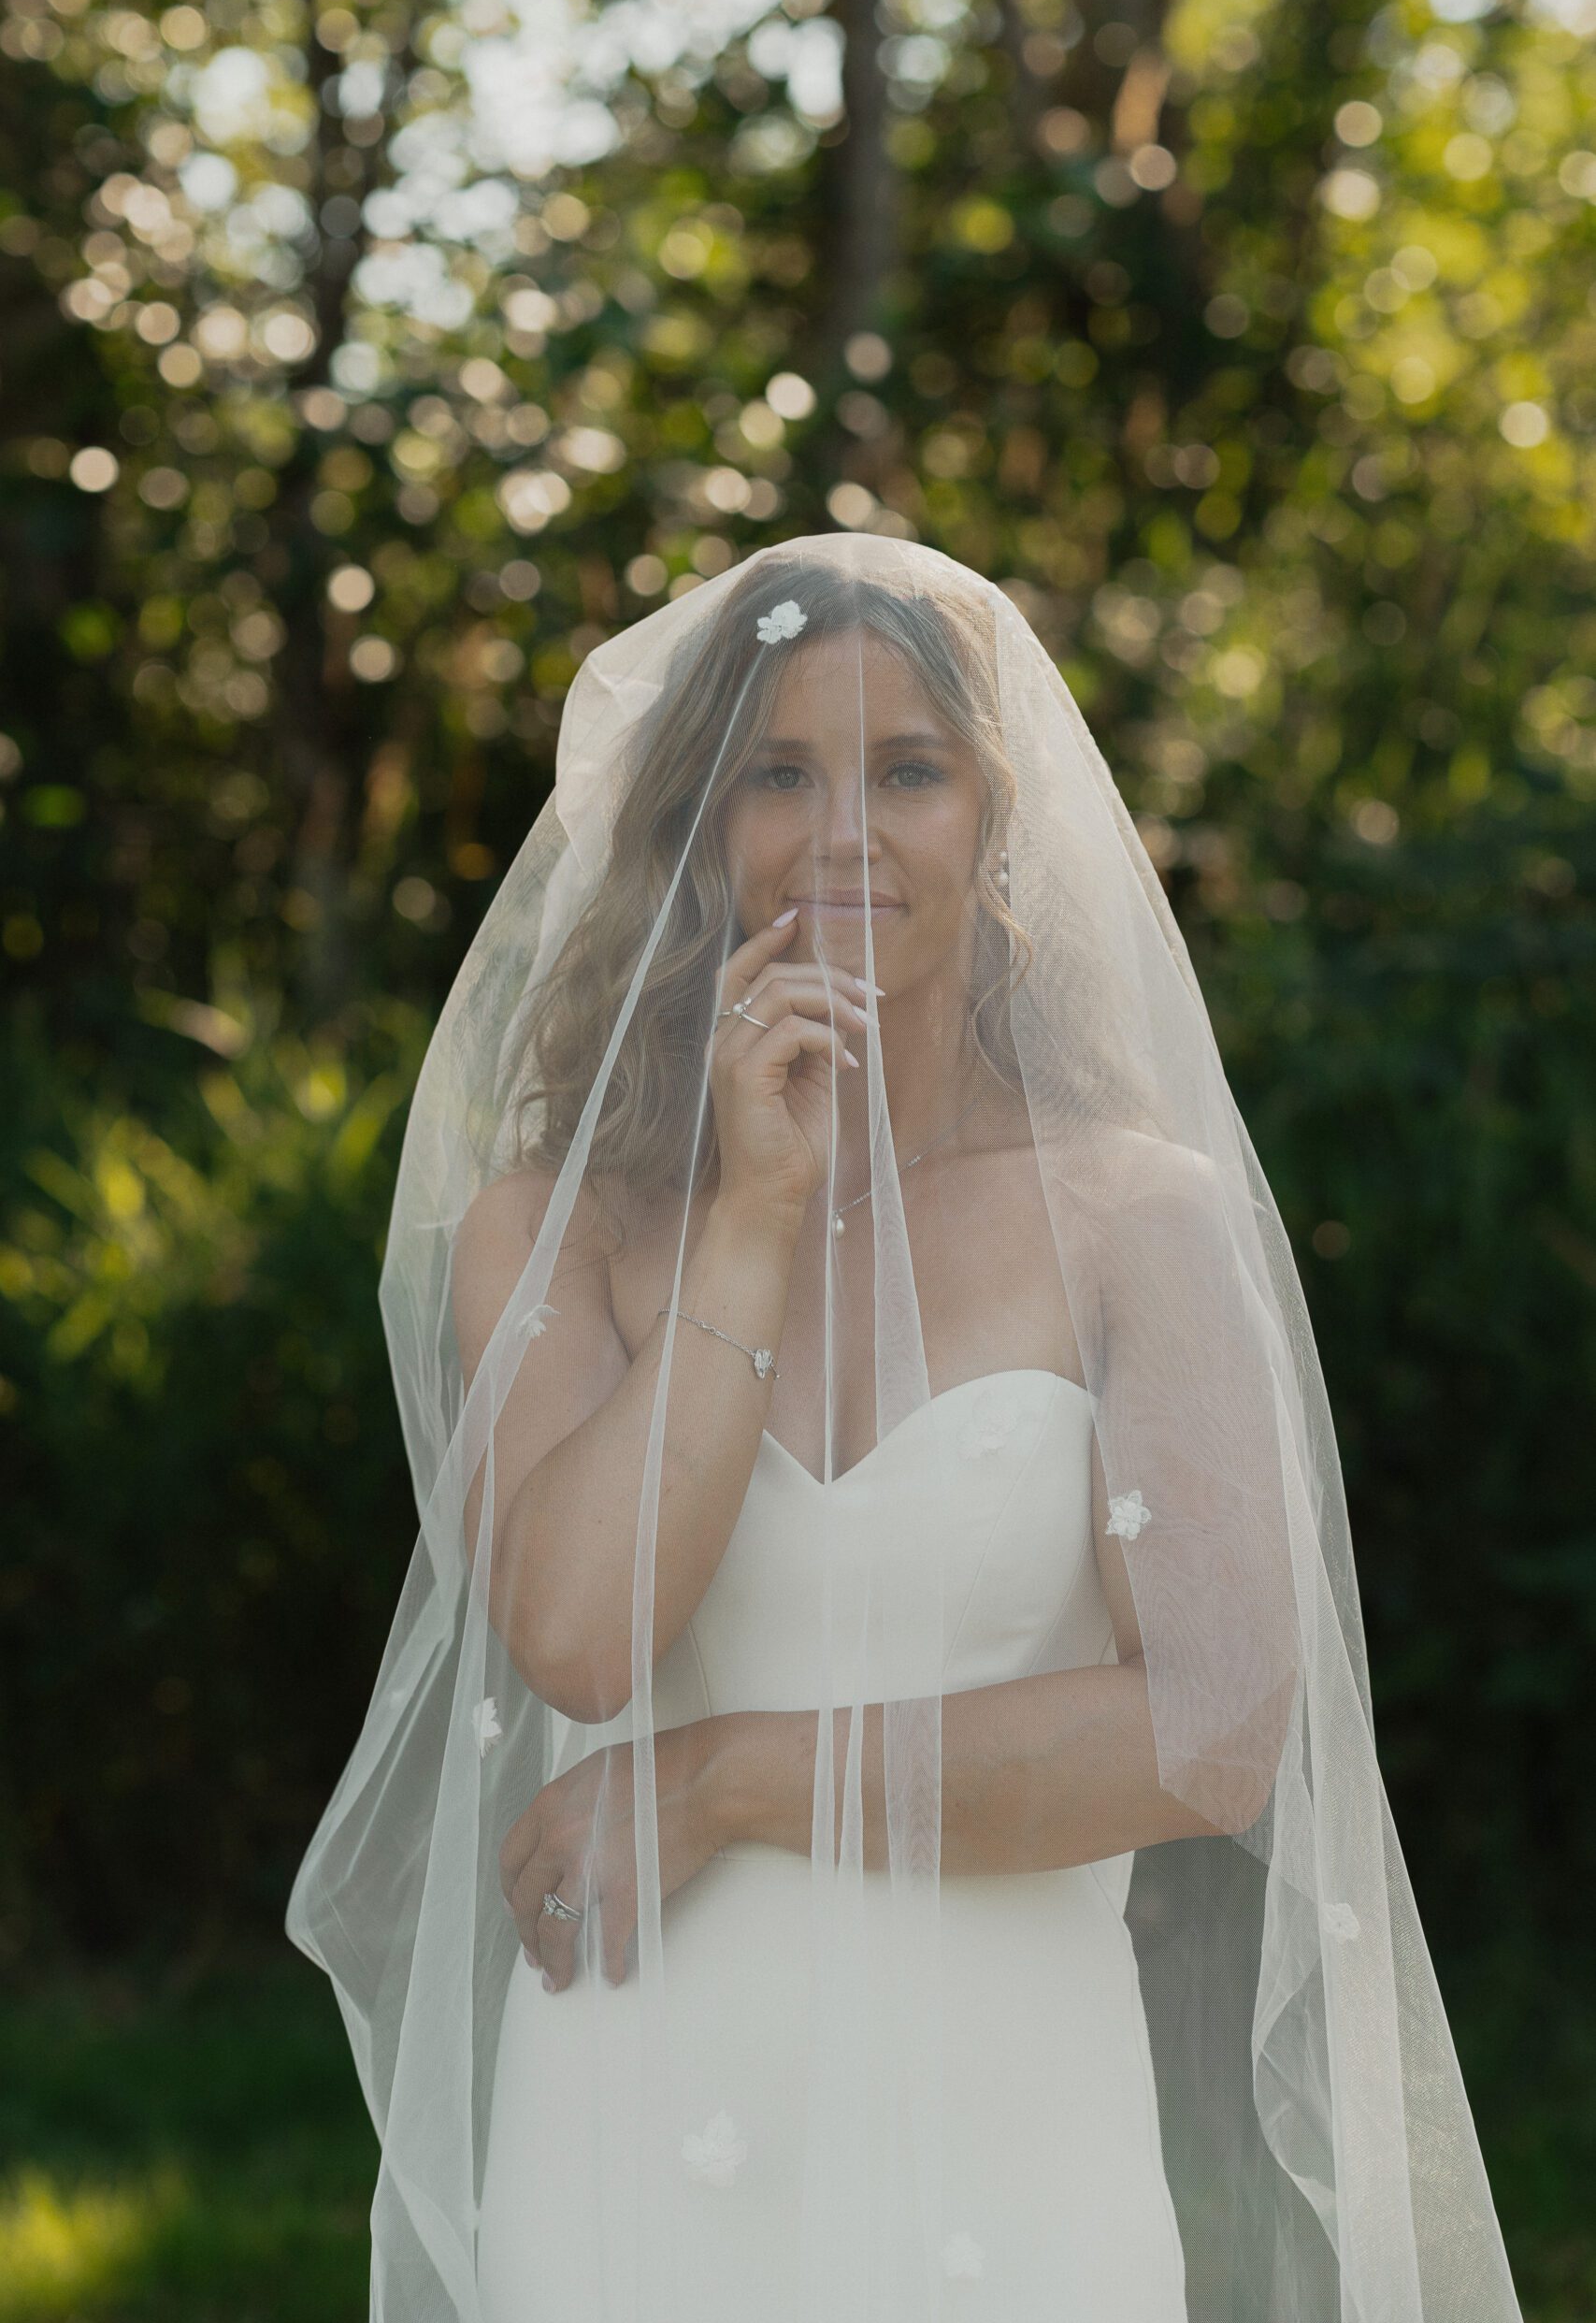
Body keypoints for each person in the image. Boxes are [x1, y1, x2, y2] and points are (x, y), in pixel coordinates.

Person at [288, 533, 1523, 2323]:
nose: (844, 831)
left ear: (997, 822)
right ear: (700, 830)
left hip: (1011, 2130)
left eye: (910, 772)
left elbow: (1213, 1734)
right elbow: (576, 1632)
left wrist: (726, 1778)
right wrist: (753, 1215)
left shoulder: (1131, 1218)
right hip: (640, 2116)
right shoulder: (563, 1232)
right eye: (779, 773)